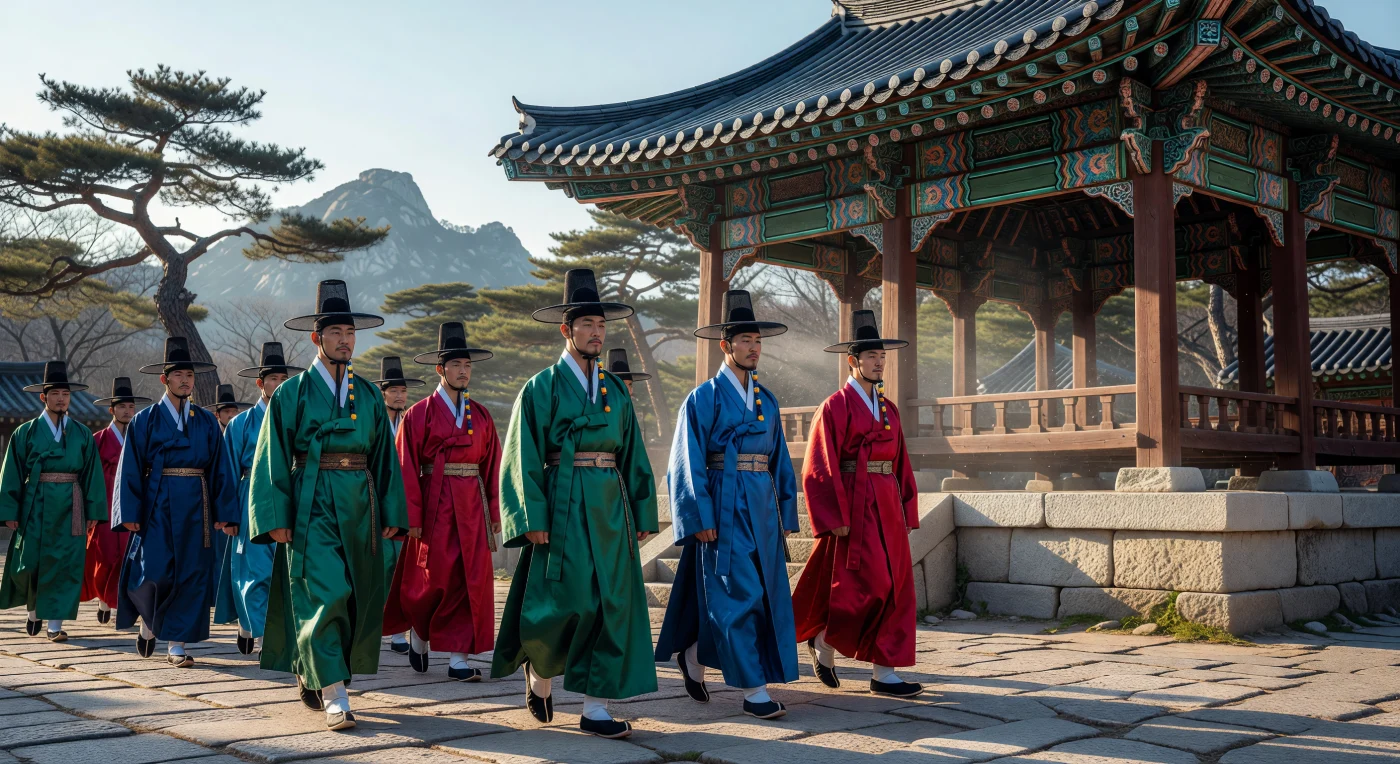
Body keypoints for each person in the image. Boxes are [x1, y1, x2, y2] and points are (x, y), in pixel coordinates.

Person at [491, 269, 658, 739]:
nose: (596, 333)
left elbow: (633, 454)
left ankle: (595, 706)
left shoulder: (616, 390)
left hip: (608, 506)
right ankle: (540, 671)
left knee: (610, 604)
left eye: (602, 326)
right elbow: (520, 454)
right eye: (587, 324)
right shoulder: (540, 387)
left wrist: (643, 511)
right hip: (561, 504)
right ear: (567, 330)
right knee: (564, 603)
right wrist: (530, 517)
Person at [248, 280, 407, 731]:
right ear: (317, 338)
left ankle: (312, 665)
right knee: (325, 591)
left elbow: (385, 460)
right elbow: (273, 455)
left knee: (357, 594)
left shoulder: (370, 394)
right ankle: (337, 693)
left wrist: (393, 512)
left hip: (360, 500)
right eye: (335, 332)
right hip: (311, 500)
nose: (345, 340)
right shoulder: (291, 393)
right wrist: (274, 516)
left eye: (351, 333)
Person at [655, 290, 800, 720]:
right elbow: (685, 461)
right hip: (723, 504)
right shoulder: (702, 398)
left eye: (758, 340)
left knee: (764, 595)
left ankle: (696, 654)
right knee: (740, 595)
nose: (754, 348)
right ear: (726, 346)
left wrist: (787, 512)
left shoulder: (767, 400)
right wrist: (697, 515)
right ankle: (754, 691)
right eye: (745, 341)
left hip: (761, 509)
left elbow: (781, 460)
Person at [792, 310, 923, 698]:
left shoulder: (890, 409)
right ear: (853, 361)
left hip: (886, 503)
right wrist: (833, 515)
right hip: (853, 503)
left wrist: (907, 507)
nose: (880, 363)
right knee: (863, 588)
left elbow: (901, 462)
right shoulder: (834, 406)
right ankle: (824, 642)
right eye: (871, 357)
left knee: (898, 587)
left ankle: (885, 673)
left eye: (882, 356)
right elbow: (818, 464)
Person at [384, 322, 500, 681]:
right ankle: (419, 632)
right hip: (435, 502)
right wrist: (410, 516)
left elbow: (493, 464)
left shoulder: (480, 415)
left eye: (467, 365)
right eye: (456, 366)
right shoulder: (419, 413)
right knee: (433, 579)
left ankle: (457, 658)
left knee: (471, 580)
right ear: (440, 369)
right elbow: (405, 466)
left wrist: (495, 512)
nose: (464, 371)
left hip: (471, 503)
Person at [113, 338, 239, 667]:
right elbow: (130, 467)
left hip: (197, 504)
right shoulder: (146, 419)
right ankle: (150, 622)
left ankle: (177, 644)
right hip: (158, 501)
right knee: (154, 570)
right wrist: (129, 511)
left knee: (192, 573)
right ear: (164, 379)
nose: (185, 380)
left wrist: (226, 512)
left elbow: (220, 468)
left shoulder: (206, 421)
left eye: (190, 375)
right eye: (179, 374)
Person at [0, 362, 106, 641]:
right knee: (31, 561)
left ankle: (55, 625)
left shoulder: (82, 433)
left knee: (67, 562)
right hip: (36, 501)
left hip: (72, 504)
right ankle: (34, 609)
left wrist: (93, 509)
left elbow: (92, 474)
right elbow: (11, 473)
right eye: (55, 393)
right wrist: (10, 510)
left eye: (65, 394)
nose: (61, 398)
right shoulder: (25, 433)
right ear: (43, 397)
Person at [214, 343, 303, 656]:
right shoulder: (241, 423)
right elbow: (226, 471)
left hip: (289, 493)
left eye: (283, 378)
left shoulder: (296, 418)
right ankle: (265, 637)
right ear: (260, 383)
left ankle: (261, 627)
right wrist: (228, 516)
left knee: (287, 567)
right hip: (251, 494)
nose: (278, 384)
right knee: (254, 569)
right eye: (273, 379)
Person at [83, 377, 150, 625]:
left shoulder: (141, 438)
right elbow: (89, 477)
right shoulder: (98, 440)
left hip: (132, 503)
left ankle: (122, 602)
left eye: (131, 407)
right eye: (122, 407)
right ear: (112, 410)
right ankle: (103, 597)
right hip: (106, 504)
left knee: (129, 556)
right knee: (106, 555)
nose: (127, 411)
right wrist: (91, 509)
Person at [373, 356, 424, 656]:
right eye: (394, 390)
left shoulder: (411, 422)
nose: (400, 396)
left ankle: (397, 633)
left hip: (406, 505)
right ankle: (374, 627)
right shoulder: (373, 422)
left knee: (403, 569)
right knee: (380, 569)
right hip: (378, 503)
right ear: (383, 393)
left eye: (403, 391)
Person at [606, 348, 651, 440]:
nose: (629, 390)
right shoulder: (599, 408)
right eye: (622, 384)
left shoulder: (635, 410)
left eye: (630, 384)